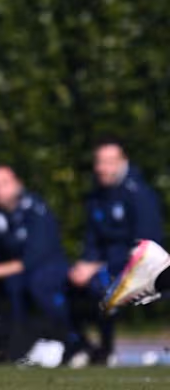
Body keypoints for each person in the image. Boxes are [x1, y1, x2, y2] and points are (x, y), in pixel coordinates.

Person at [68, 138, 162, 365]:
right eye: (99, 162)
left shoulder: (139, 194)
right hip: (107, 263)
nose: (102, 168)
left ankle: (106, 350)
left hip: (138, 266)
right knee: (63, 283)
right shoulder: (97, 197)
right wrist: (85, 263)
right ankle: (80, 345)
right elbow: (92, 240)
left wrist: (98, 266)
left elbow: (146, 247)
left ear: (123, 162)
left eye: (109, 162)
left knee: (101, 283)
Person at [0, 165, 71, 360]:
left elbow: (30, 260)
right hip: (15, 277)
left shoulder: (36, 211)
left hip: (45, 274)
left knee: (33, 288)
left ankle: (66, 341)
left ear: (17, 184)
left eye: (4, 184)